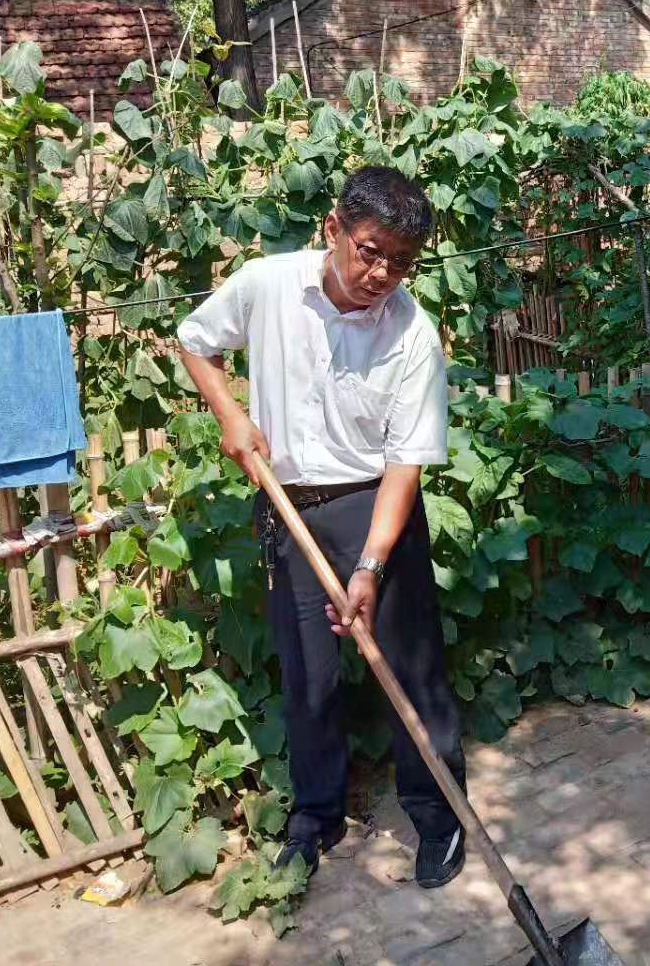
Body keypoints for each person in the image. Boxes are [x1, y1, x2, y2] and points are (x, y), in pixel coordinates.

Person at [177, 166, 467, 890]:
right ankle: (316, 816)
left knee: (409, 669)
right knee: (307, 674)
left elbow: (406, 465)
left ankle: (439, 816)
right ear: (333, 229)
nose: (381, 274)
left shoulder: (412, 335)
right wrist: (231, 415)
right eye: (370, 251)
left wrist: (370, 565)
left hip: (374, 505)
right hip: (286, 503)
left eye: (400, 262)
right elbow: (193, 340)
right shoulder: (267, 285)